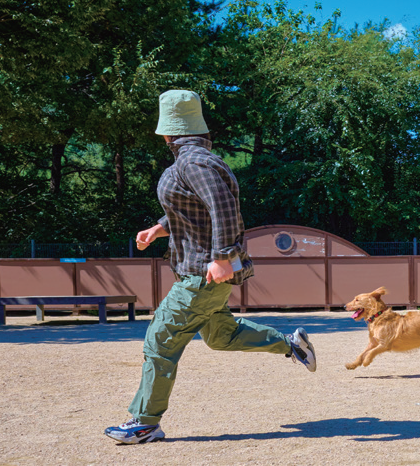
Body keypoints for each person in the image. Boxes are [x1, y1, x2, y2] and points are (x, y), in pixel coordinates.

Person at [104, 89, 317, 445]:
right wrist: (161, 226)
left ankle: (144, 422)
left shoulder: (194, 163)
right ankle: (291, 344)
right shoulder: (197, 160)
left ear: (167, 132)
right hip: (206, 271)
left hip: (202, 274)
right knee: (221, 336)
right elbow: (196, 207)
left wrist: (221, 257)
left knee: (160, 338)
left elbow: (223, 209)